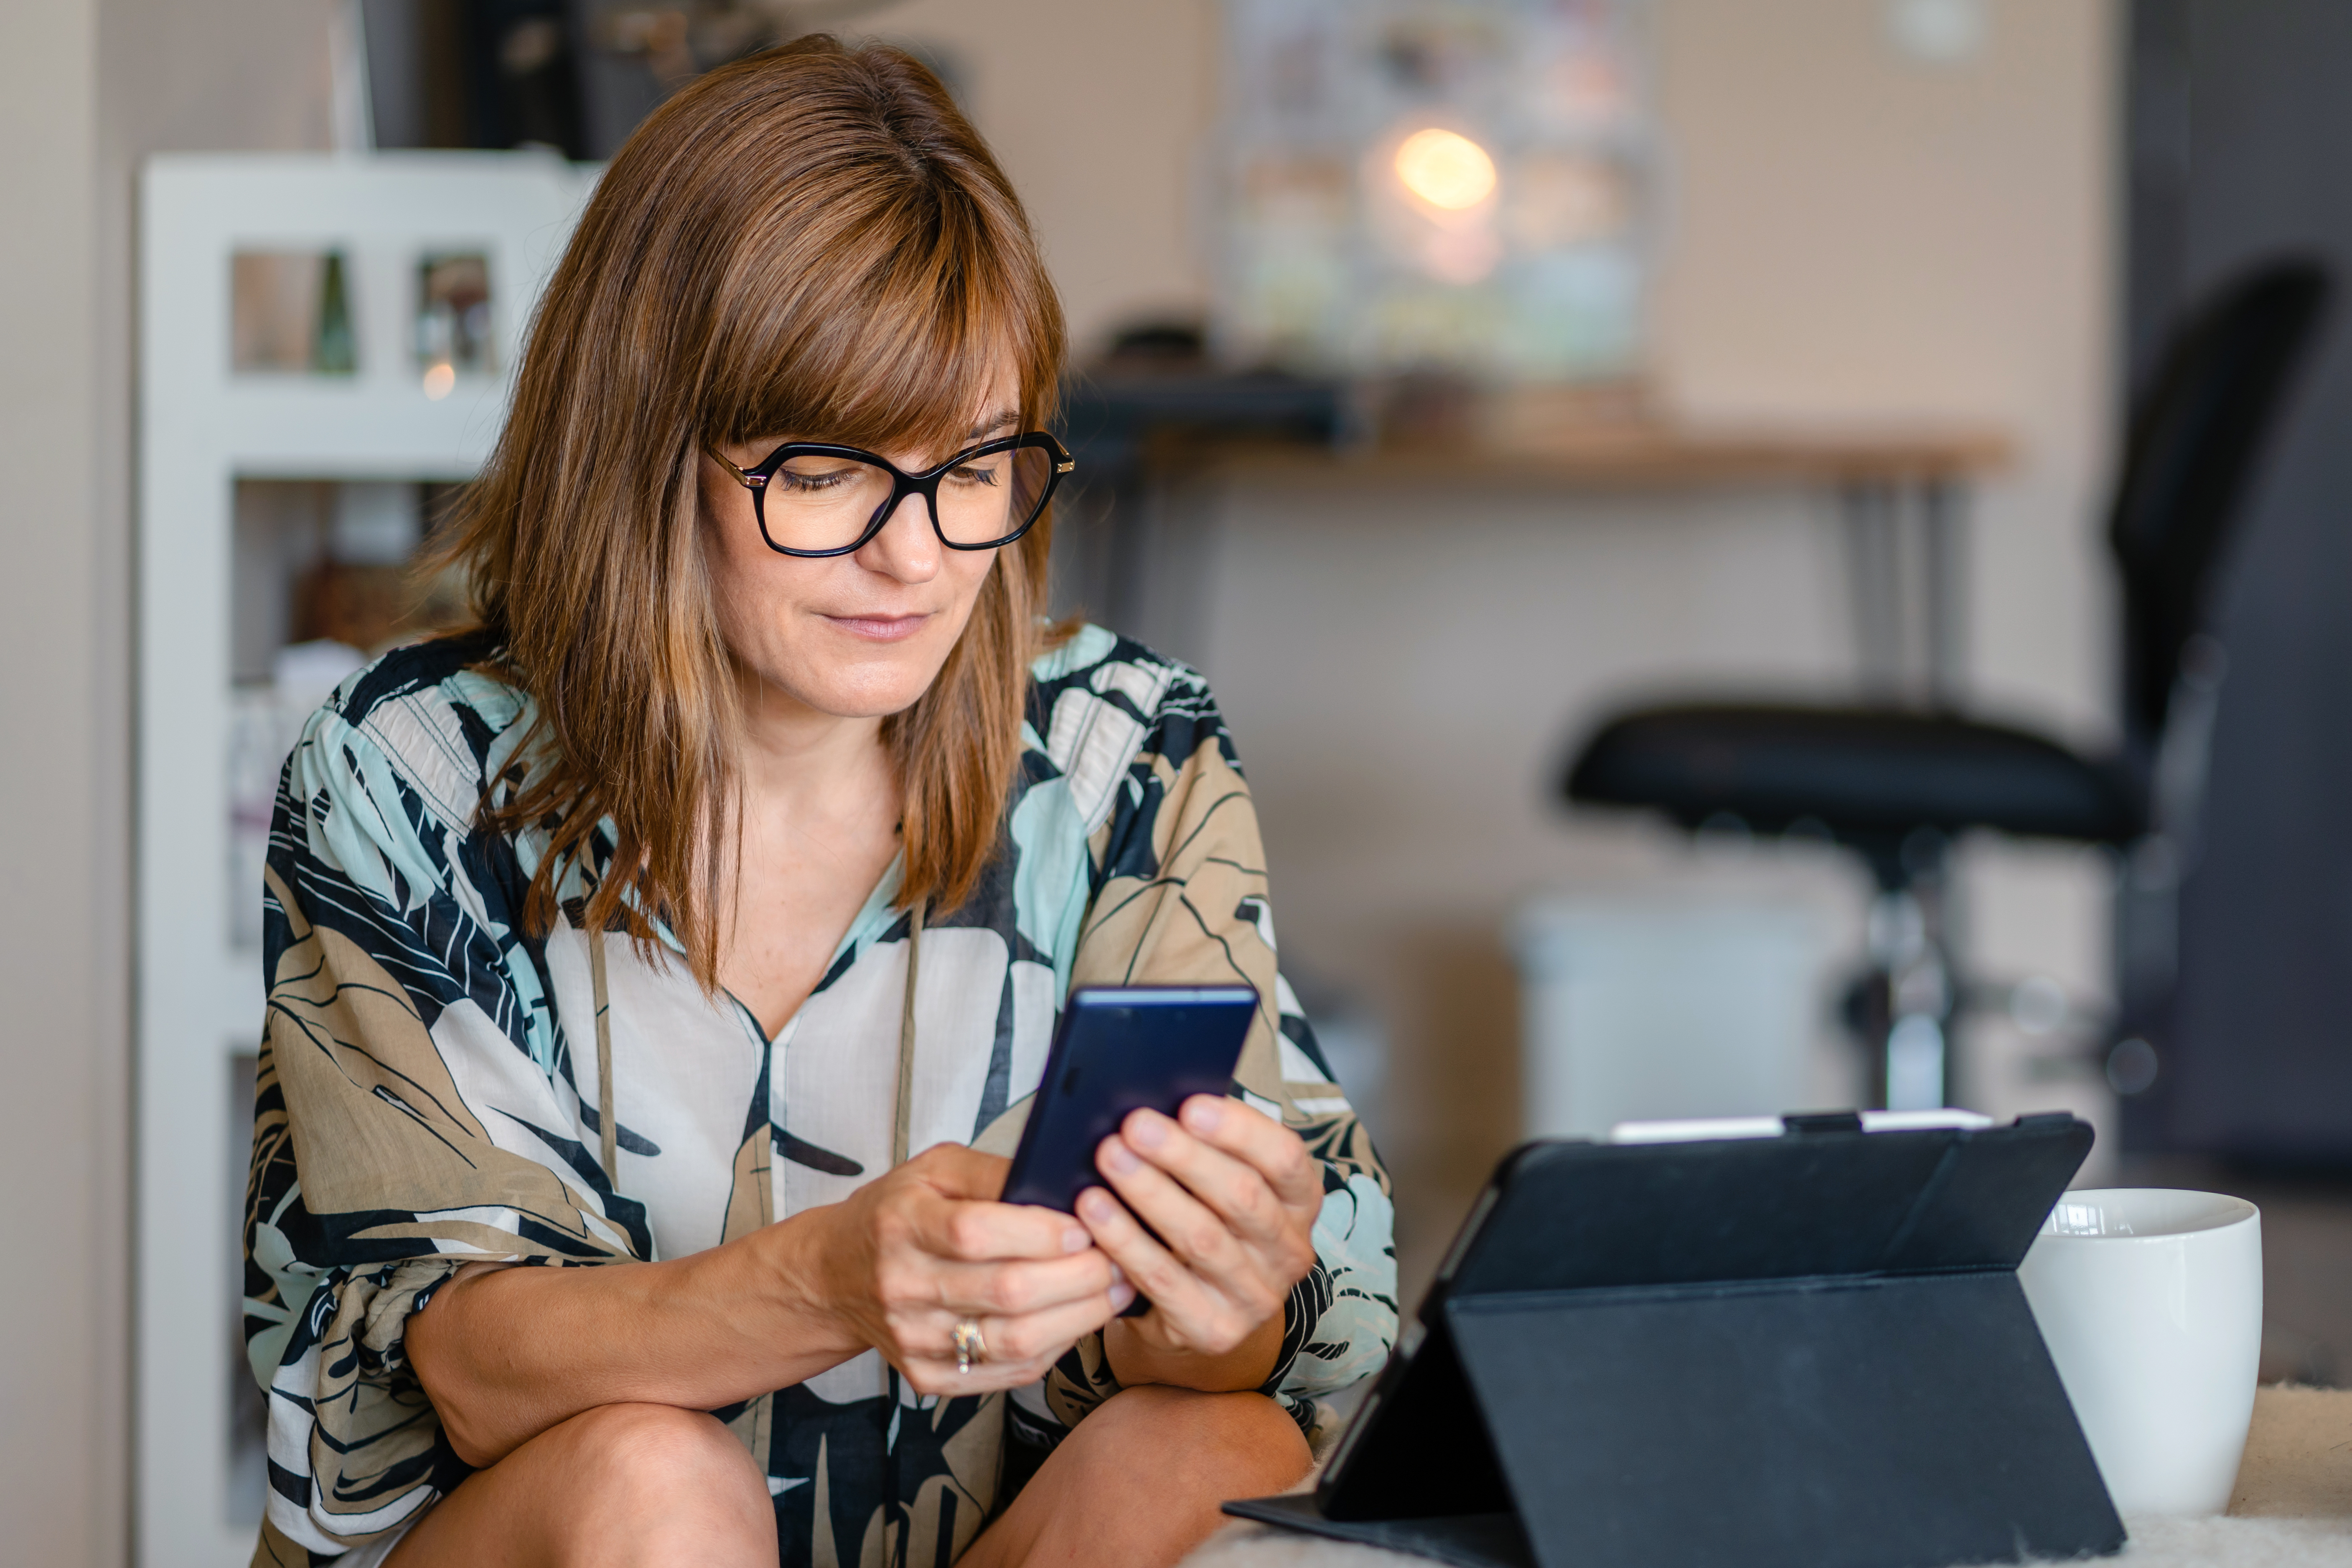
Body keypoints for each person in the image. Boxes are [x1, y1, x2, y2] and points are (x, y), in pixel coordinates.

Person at [240, 36, 1395, 1568]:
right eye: (829, 472)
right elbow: (454, 1367)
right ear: (648, 454)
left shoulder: (1126, 751)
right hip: (562, 1535)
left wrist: (1227, 1302)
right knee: (648, 1483)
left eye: (977, 463)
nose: (919, 557)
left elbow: (1267, 1376)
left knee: (1219, 1446)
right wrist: (834, 1280)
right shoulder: (412, 774)